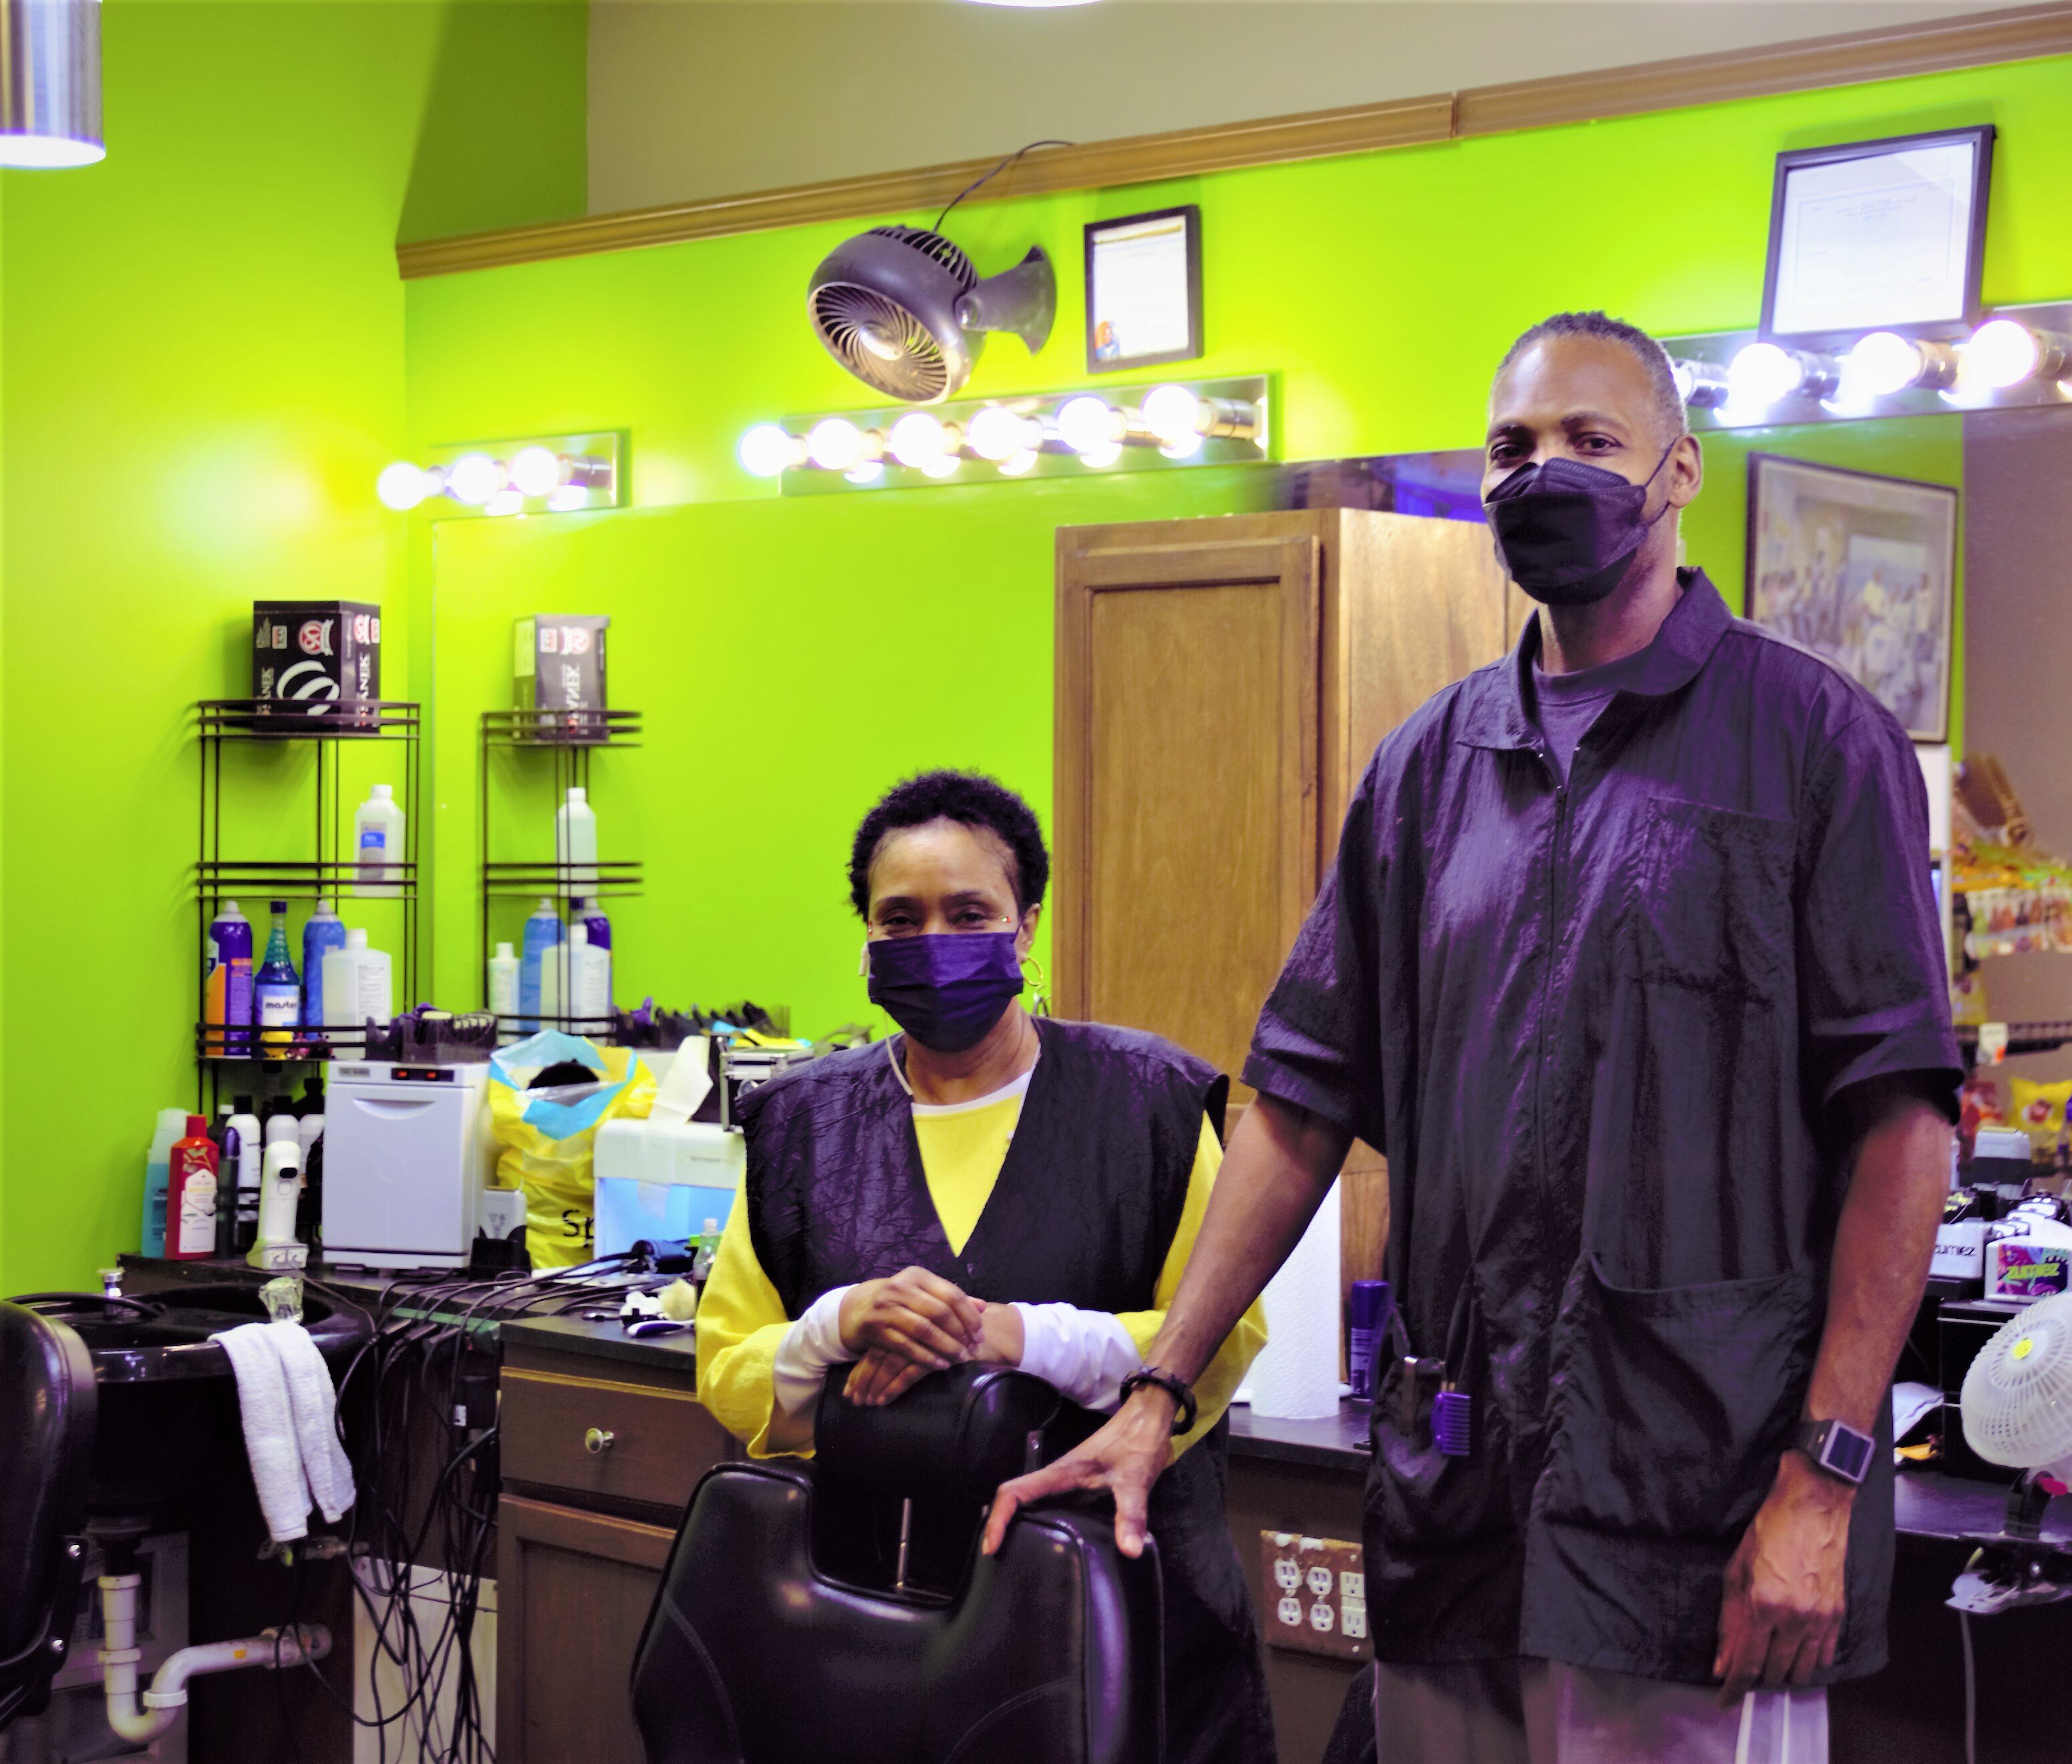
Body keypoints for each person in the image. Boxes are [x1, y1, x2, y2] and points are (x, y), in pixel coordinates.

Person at [986, 313, 1959, 1763]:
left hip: (1702, 1517)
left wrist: (1823, 1482)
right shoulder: (1429, 771)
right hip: (1460, 1507)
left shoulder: (1812, 746)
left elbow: (1905, 1127)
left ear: (1680, 471)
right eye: (1512, 448)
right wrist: (1159, 1387)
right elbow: (1299, 1101)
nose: (1544, 473)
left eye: (1592, 442)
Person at [694, 768, 1276, 1764]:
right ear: (867, 937)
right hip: (869, 1626)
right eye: (899, 919)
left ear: (1027, 923)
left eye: (968, 913)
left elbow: (1221, 1337)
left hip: (1120, 1623)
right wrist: (834, 1325)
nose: (932, 942)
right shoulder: (800, 1125)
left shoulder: (1150, 1107)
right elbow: (728, 1368)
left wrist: (1021, 1336)